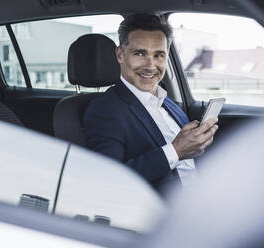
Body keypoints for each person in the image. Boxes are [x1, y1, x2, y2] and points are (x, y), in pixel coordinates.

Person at [83, 14, 218, 195]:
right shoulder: (104, 110)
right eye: (140, 53)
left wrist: (198, 143)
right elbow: (110, 180)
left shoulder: (168, 103)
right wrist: (176, 151)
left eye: (159, 55)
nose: (150, 65)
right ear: (120, 55)